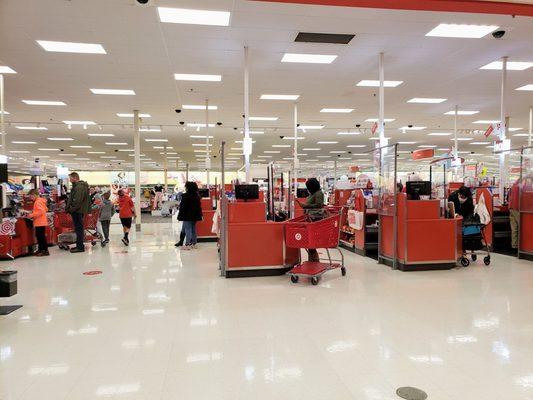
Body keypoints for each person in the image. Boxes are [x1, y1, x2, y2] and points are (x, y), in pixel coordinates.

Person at [296, 178, 325, 262]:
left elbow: (319, 205)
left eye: (308, 186)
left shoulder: (319, 193)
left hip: (315, 219)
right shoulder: (312, 194)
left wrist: (305, 206)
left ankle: (314, 260)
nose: (307, 188)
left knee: (311, 241)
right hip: (310, 218)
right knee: (309, 241)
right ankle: (313, 260)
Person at [66, 172, 90, 253]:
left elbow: (77, 201)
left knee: (79, 229)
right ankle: (79, 245)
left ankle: (80, 247)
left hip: (77, 211)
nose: (69, 180)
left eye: (70, 178)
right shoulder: (79, 186)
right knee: (79, 229)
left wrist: (71, 209)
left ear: (75, 178)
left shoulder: (79, 187)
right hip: (78, 210)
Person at [177, 181, 203, 250]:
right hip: (195, 216)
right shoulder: (197, 196)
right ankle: (194, 244)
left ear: (188, 187)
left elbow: (182, 207)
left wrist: (180, 216)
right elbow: (199, 207)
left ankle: (187, 244)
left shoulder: (185, 196)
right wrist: (200, 215)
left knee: (187, 229)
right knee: (193, 229)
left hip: (187, 215)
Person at [25, 189, 49, 256]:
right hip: (42, 221)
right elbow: (46, 209)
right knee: (40, 236)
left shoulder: (37, 202)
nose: (30, 198)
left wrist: (31, 215)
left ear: (35, 195)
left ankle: (44, 250)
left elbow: (41, 211)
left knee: (40, 237)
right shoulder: (41, 201)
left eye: (31, 196)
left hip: (39, 222)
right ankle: (41, 249)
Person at [509, 179, 520, 249]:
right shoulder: (522, 186)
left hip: (511, 207)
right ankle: (521, 246)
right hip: (518, 208)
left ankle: (514, 245)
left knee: (514, 228)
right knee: (522, 227)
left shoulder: (514, 185)